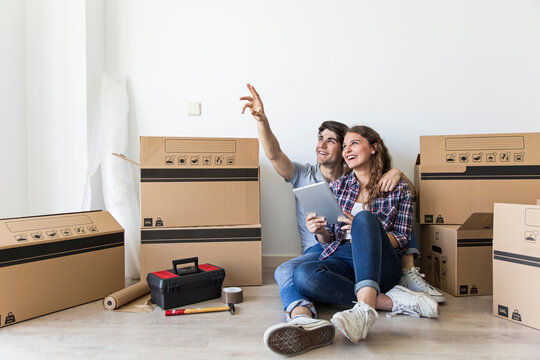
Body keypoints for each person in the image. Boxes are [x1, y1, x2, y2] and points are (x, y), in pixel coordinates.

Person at [264, 125, 439, 356]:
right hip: (342, 256)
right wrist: (319, 231)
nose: (347, 150)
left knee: (364, 219)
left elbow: (403, 237)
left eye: (354, 143)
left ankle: (364, 311)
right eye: (345, 146)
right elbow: (329, 240)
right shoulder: (337, 187)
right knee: (303, 275)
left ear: (374, 148)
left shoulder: (398, 188)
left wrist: (361, 228)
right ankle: (389, 301)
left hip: (379, 262)